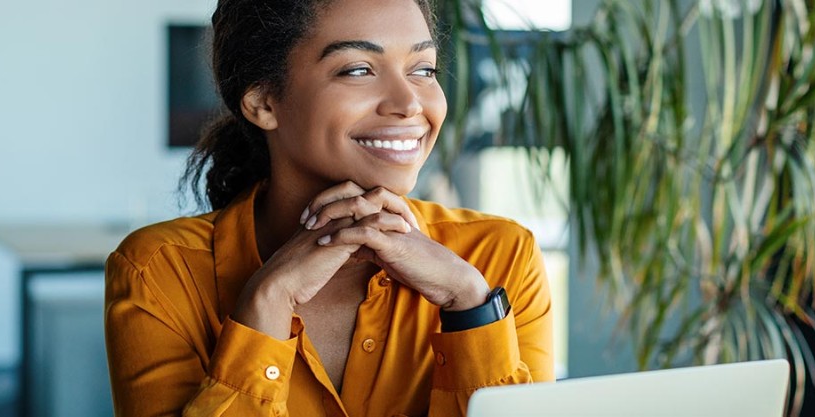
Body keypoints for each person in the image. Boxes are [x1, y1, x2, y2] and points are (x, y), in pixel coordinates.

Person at [103, 0, 554, 415]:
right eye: (358, 69)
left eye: (423, 69)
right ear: (263, 101)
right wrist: (267, 301)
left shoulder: (500, 259)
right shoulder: (159, 272)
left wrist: (471, 307)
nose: (409, 103)